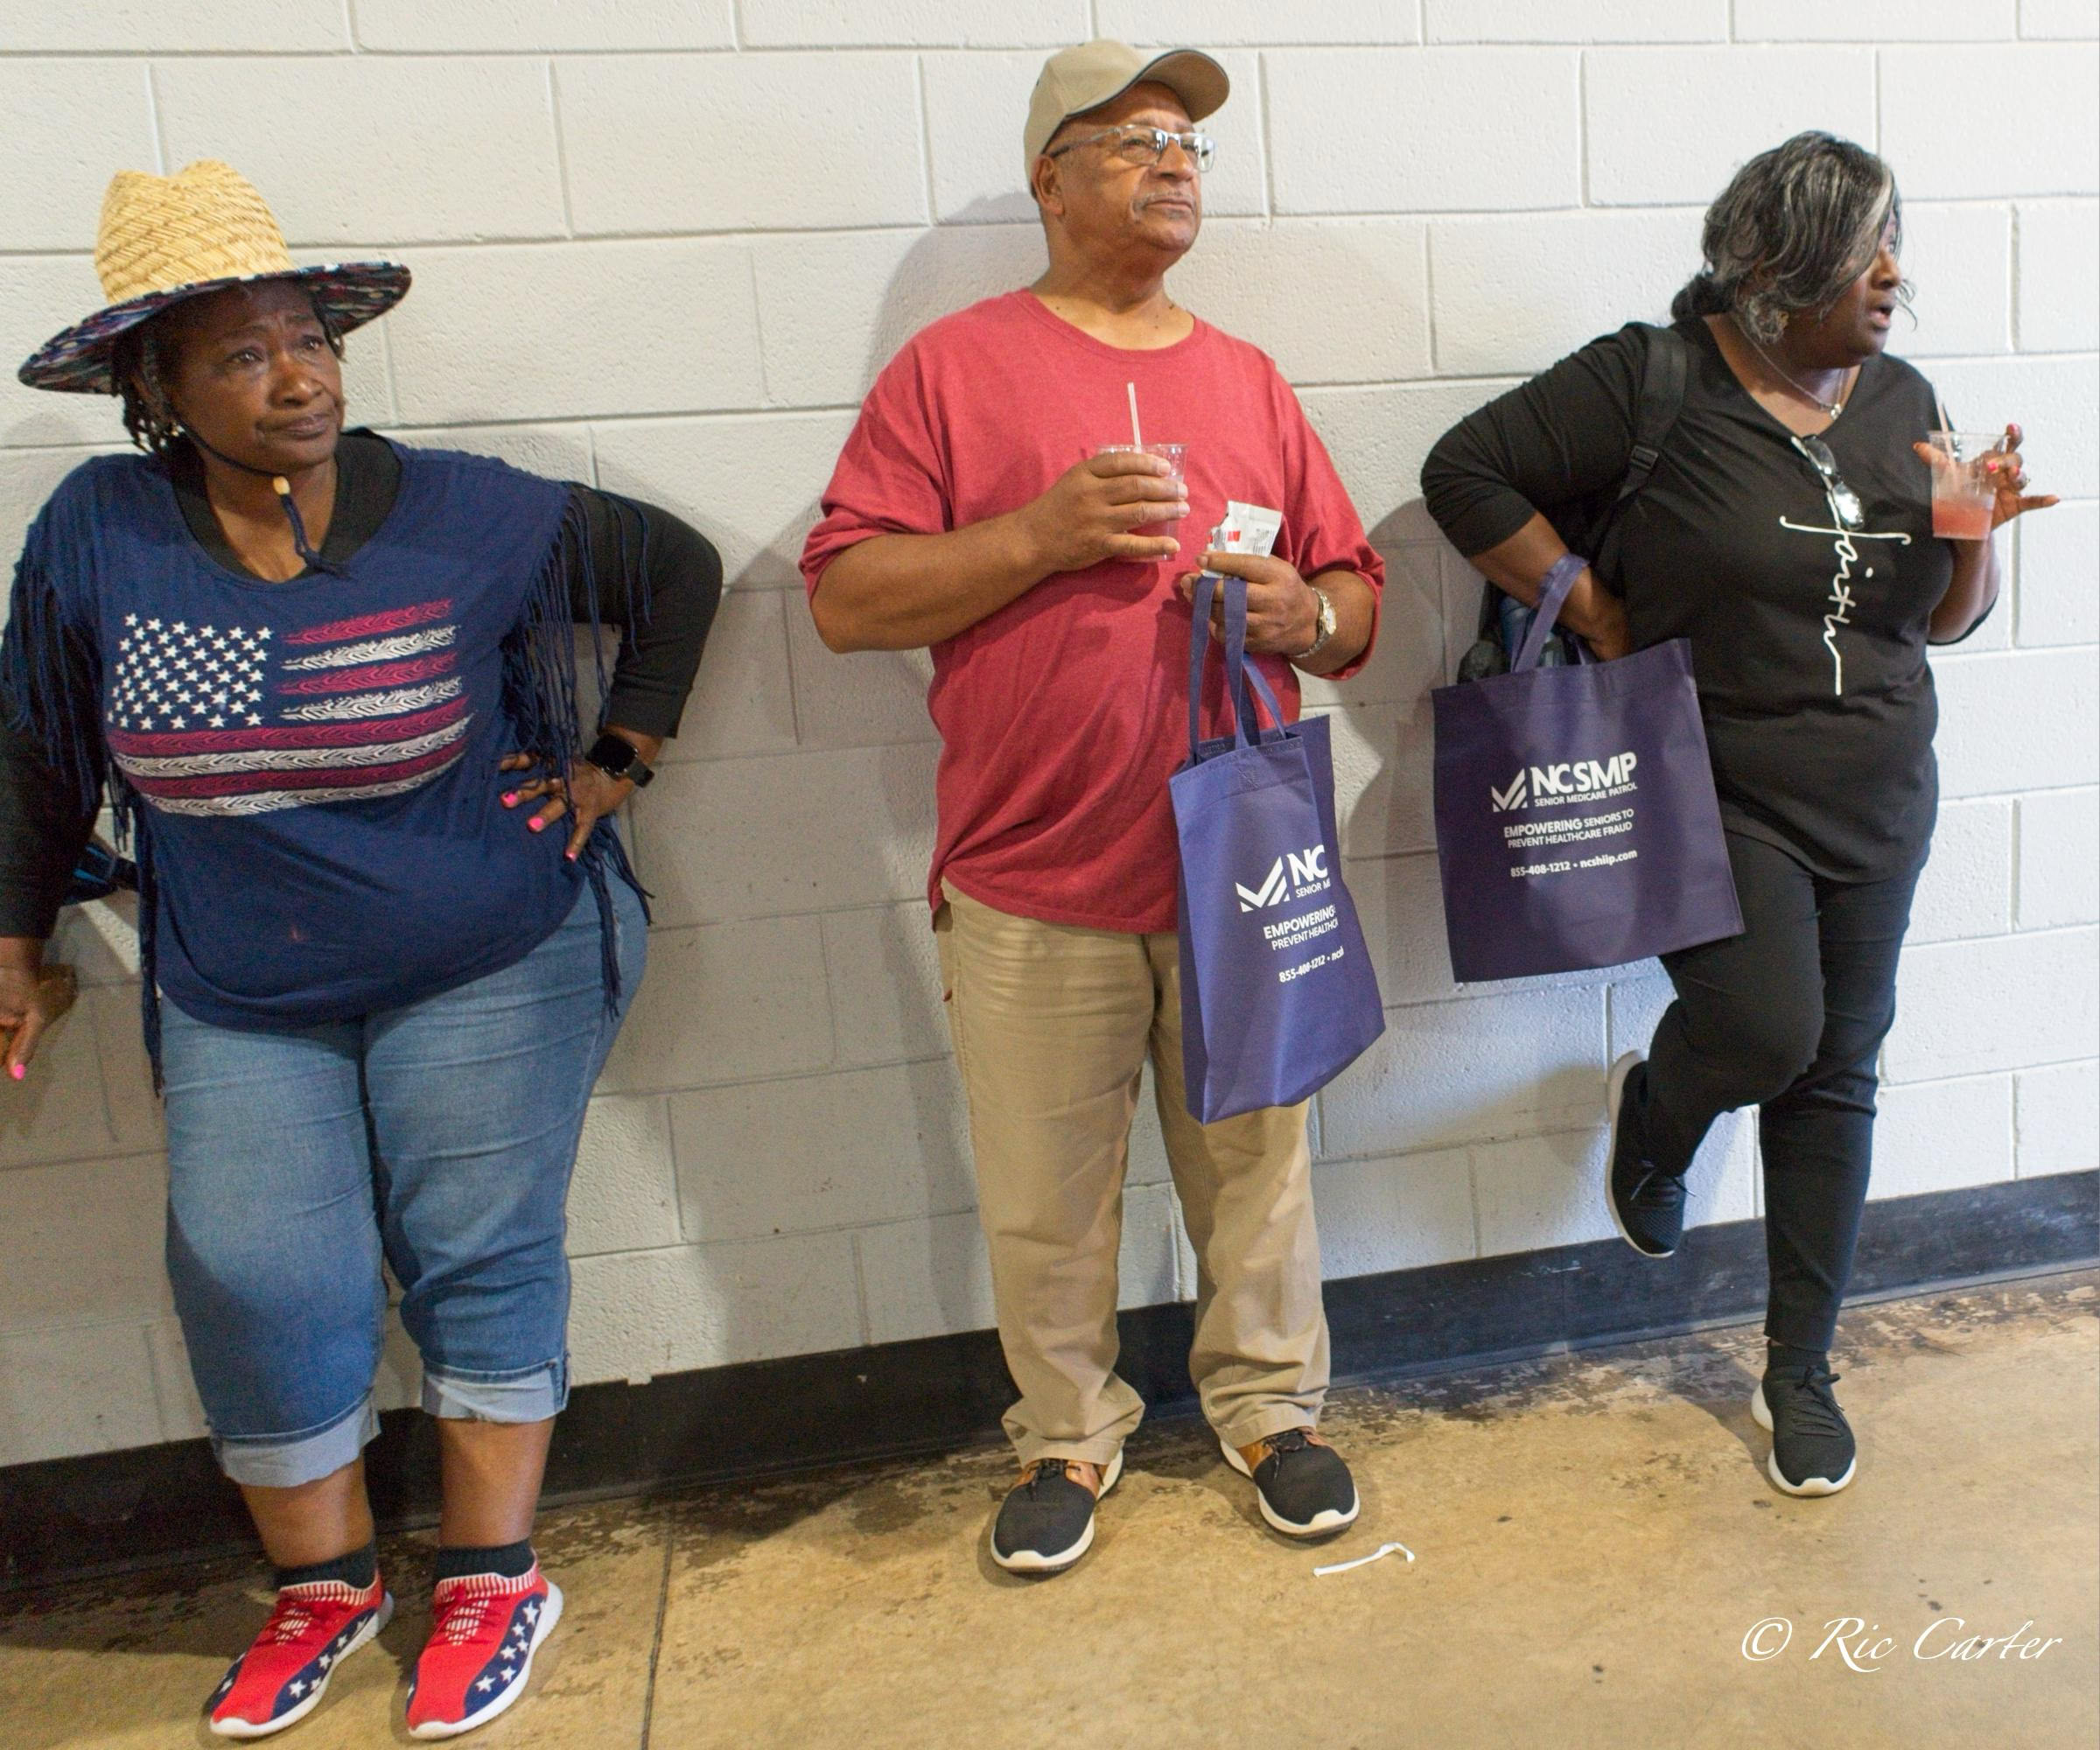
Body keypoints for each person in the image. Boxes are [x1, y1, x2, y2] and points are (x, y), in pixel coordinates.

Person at [0, 160, 721, 1739]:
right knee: (255, 1274)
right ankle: (323, 1589)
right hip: (241, 987)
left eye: (308, 340)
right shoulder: (98, 530)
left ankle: (493, 1574)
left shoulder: (460, 507)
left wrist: (617, 760)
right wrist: (15, 933)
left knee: (477, 1247)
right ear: (156, 392)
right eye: (241, 356)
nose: (298, 377)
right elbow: (37, 749)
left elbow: (675, 570)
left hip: (491, 955)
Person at [802, 39, 1386, 1576]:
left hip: (1240, 862)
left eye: (1188, 141)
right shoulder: (950, 369)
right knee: (1043, 1194)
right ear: (1048, 181)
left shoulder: (1248, 377)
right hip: (1029, 871)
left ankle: (1273, 1411)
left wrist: (1307, 618)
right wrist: (1041, 535)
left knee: (1259, 1167)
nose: (1173, 161)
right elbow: (846, 600)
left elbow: (1354, 597)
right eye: (1131, 138)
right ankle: (1065, 1434)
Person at [1421, 132, 2057, 1500]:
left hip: (1882, 785)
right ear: (1774, 269)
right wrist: (1599, 612)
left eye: (1895, 244)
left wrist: (1975, 535)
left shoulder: (1906, 398)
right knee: (1771, 1029)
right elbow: (1463, 472)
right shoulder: (1654, 379)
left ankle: (1800, 1371)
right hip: (1711, 784)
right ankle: (1658, 1115)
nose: (1891, 275)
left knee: (1840, 1068)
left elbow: (1945, 625)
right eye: (1862, 249)